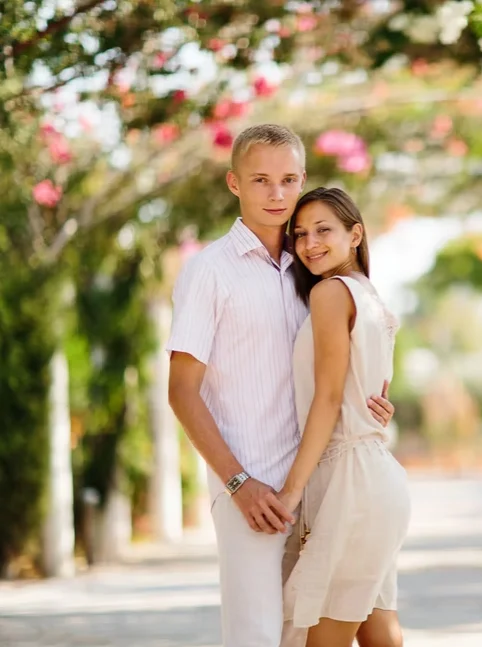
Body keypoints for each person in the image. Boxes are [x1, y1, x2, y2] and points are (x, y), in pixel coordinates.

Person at [166, 124, 395, 647]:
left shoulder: (314, 268)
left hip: (324, 485)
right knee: (258, 638)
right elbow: (181, 391)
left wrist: (376, 402)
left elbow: (341, 371)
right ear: (234, 183)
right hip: (254, 492)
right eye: (261, 180)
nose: (277, 194)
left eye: (288, 180)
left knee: (334, 629)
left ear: (303, 180)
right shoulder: (209, 272)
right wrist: (238, 484)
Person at [278, 187, 411, 647]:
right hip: (372, 477)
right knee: (379, 635)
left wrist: (290, 491)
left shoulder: (331, 293)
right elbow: (359, 393)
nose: (309, 243)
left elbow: (330, 397)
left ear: (356, 234)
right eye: (299, 234)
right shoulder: (370, 297)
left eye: (323, 230)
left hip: (351, 483)